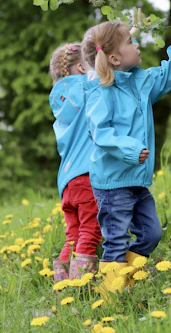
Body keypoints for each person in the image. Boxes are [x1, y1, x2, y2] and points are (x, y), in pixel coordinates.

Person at [82, 14, 171, 298]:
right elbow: (101, 133)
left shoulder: (140, 82)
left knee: (151, 234)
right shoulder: (102, 93)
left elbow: (167, 73)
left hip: (136, 180)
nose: (138, 44)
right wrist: (132, 150)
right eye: (130, 41)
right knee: (116, 241)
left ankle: (124, 285)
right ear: (114, 58)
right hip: (113, 184)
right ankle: (110, 301)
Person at [49, 42, 102, 281]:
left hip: (67, 181)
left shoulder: (59, 99)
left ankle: (61, 286)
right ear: (81, 67)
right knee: (91, 230)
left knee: (74, 234)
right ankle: (80, 287)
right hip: (86, 175)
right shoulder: (86, 87)